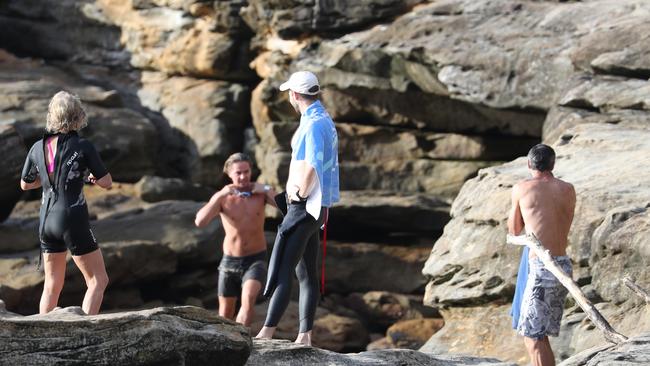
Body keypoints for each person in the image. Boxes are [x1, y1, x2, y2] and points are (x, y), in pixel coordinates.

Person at [256, 71, 340, 346]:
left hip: (305, 207)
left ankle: (267, 332)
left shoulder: (314, 124)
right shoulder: (320, 118)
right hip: (318, 209)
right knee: (306, 273)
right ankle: (304, 336)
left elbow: (314, 164)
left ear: (294, 95)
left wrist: (299, 194)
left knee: (282, 268)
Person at [20, 91, 112, 315]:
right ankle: (85, 335)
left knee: (51, 285)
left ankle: (43, 336)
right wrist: (89, 177)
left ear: (52, 116)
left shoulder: (37, 147)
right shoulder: (83, 146)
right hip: (71, 217)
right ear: (78, 116)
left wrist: (51, 178)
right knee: (98, 280)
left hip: (46, 220)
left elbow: (25, 184)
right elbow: (106, 182)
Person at [508, 144, 576, 366]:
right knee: (540, 335)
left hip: (541, 266)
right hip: (563, 266)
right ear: (553, 164)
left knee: (533, 338)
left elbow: (514, 229)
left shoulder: (523, 188)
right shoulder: (568, 189)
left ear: (529, 164)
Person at [195, 153, 277, 326]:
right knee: (225, 313)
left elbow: (289, 208)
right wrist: (218, 196)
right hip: (230, 261)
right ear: (229, 174)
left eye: (246, 172)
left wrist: (268, 189)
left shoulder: (260, 194)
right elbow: (200, 222)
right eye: (238, 173)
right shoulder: (223, 197)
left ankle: (242, 341)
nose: (243, 177)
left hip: (256, 259)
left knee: (248, 299)